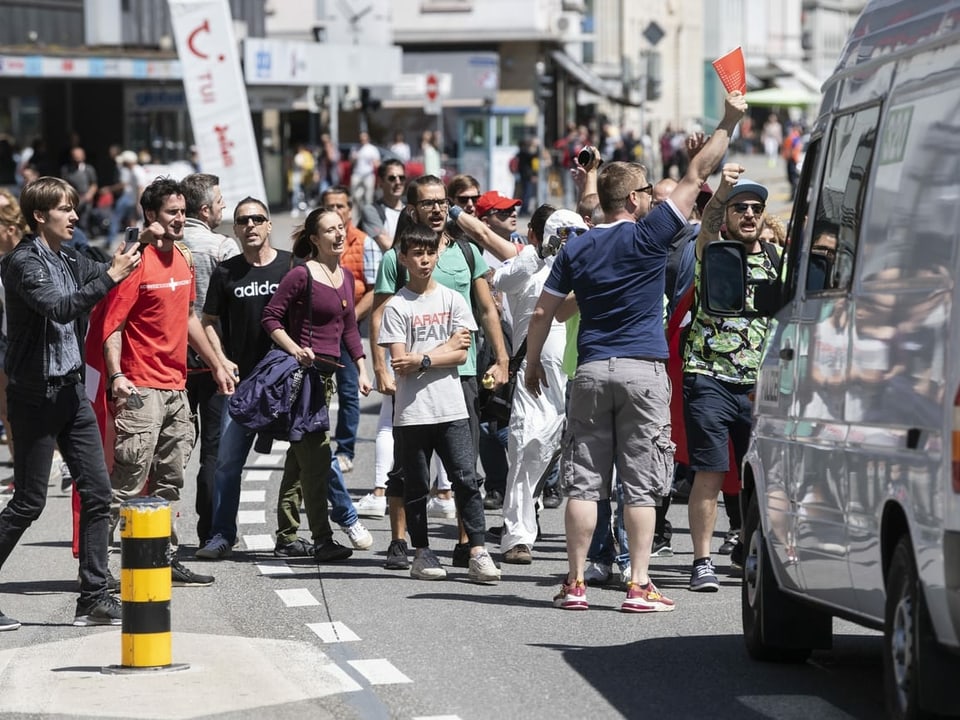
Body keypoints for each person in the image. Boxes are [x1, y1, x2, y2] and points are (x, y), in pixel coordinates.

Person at [524, 91, 747, 613]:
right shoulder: (651, 235)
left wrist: (531, 364)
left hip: (592, 369)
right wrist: (730, 119)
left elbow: (545, 313)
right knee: (641, 484)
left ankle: (575, 584)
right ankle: (639, 584)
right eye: (646, 190)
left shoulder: (578, 245)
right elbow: (698, 172)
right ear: (632, 200)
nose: (651, 196)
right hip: (644, 370)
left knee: (584, 483)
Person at [0, 177, 140, 630]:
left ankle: (94, 597)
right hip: (34, 396)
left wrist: (140, 242)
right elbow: (61, 307)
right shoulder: (22, 263)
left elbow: (100, 275)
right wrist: (110, 276)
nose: (75, 216)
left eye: (74, 208)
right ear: (40, 215)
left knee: (98, 494)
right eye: (65, 209)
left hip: (70, 392)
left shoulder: (66, 257)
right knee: (28, 502)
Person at [96, 176, 235, 587]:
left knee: (171, 478)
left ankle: (163, 556)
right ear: (152, 216)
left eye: (182, 211)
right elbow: (112, 326)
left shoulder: (186, 258)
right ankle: (98, 568)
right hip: (140, 387)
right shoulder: (135, 261)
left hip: (176, 386)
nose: (180, 218)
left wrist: (217, 364)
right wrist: (118, 375)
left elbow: (189, 317)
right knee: (127, 479)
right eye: (172, 212)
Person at [370, 175, 510, 570]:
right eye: (427, 203)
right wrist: (381, 367)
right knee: (408, 467)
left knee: (463, 466)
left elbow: (486, 310)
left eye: (441, 202)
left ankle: (469, 545)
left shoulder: (465, 252)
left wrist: (501, 359)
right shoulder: (399, 256)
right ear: (412, 209)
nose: (436, 209)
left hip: (461, 374)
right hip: (412, 379)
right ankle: (403, 542)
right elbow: (380, 314)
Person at [462, 204, 578, 565]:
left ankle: (602, 548)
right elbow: (501, 281)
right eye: (560, 235)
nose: (566, 242)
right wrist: (541, 254)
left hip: (580, 372)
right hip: (534, 376)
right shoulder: (528, 260)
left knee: (573, 457)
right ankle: (517, 536)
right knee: (527, 446)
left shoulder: (584, 263)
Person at [684, 169, 780, 592]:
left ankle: (749, 545)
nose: (749, 214)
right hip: (709, 378)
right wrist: (722, 189)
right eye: (741, 207)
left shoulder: (778, 259)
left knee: (756, 477)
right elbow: (705, 223)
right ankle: (702, 560)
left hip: (761, 386)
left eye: (756, 209)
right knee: (710, 472)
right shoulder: (713, 250)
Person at [261, 208, 372, 563]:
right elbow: (270, 317)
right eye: (329, 230)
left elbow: (350, 328)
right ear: (314, 239)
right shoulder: (300, 275)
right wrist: (295, 348)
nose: (339, 235)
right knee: (318, 460)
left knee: (298, 461)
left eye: (341, 228)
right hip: (303, 380)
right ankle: (322, 539)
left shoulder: (345, 276)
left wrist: (362, 366)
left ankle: (286, 537)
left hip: (327, 379)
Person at [193, 199, 290, 559]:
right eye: (242, 220)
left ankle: (305, 534)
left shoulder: (289, 265)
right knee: (227, 463)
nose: (250, 225)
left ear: (268, 226)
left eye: (257, 219)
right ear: (234, 229)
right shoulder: (226, 272)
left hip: (285, 382)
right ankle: (221, 535)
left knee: (312, 459)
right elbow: (208, 321)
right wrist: (221, 358)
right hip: (243, 386)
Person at [179, 173, 240, 547]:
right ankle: (210, 532)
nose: (223, 207)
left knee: (172, 447)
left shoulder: (166, 244)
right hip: (217, 360)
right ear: (204, 208)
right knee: (214, 452)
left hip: (175, 363)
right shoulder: (222, 248)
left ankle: (155, 523)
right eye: (219, 201)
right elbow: (232, 307)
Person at [320, 185, 379, 474]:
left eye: (340, 206)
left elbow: (374, 289)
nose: (336, 212)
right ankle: (313, 447)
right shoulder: (314, 241)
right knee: (313, 391)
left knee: (348, 391)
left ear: (349, 210)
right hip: (317, 330)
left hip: (347, 329)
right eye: (329, 206)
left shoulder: (364, 243)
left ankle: (344, 450)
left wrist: (348, 318)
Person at [360, 159, 406, 252]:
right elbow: (387, 245)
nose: (398, 182)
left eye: (402, 178)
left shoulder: (411, 211)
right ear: (381, 182)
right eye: (392, 178)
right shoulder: (372, 210)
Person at [59, 146, 98, 235]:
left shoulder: (88, 169)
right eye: (75, 155)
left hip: (86, 198)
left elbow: (94, 184)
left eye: (79, 155)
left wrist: (90, 194)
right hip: (74, 198)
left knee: (84, 220)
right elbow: (64, 183)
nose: (77, 157)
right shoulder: (66, 169)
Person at [349, 131, 380, 216]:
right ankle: (357, 213)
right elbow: (350, 162)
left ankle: (368, 215)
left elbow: (377, 163)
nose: (362, 139)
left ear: (367, 138)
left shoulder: (372, 149)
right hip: (357, 173)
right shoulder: (355, 148)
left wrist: (376, 165)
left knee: (368, 197)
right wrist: (353, 158)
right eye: (361, 138)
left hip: (368, 175)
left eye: (364, 138)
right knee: (354, 196)